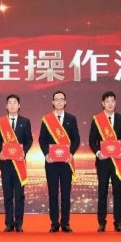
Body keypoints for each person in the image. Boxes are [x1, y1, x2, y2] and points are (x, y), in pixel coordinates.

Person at [88, 91, 121, 232]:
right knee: (102, 192)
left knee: (118, 192)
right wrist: (98, 152)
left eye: (112, 101)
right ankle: (102, 222)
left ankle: (118, 222)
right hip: (103, 162)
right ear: (103, 103)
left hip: (117, 161)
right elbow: (92, 140)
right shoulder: (97, 119)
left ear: (115, 102)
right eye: (107, 101)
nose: (110, 103)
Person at [38, 90, 80, 233]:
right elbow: (42, 140)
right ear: (53, 102)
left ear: (65, 102)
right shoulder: (47, 119)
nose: (59, 101)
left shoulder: (71, 119)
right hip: (51, 163)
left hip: (66, 162)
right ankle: (54, 223)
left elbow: (76, 139)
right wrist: (46, 154)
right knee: (53, 193)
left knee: (66, 194)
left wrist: (71, 153)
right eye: (56, 99)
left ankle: (65, 223)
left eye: (62, 99)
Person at [0, 94, 33, 232]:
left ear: (19, 105)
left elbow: (29, 140)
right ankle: (9, 223)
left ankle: (19, 223)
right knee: (8, 195)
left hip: (19, 164)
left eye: (15, 102)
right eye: (9, 102)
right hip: (6, 164)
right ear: (6, 106)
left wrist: (24, 152)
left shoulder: (25, 122)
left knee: (19, 195)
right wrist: (1, 152)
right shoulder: (1, 122)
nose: (12, 105)